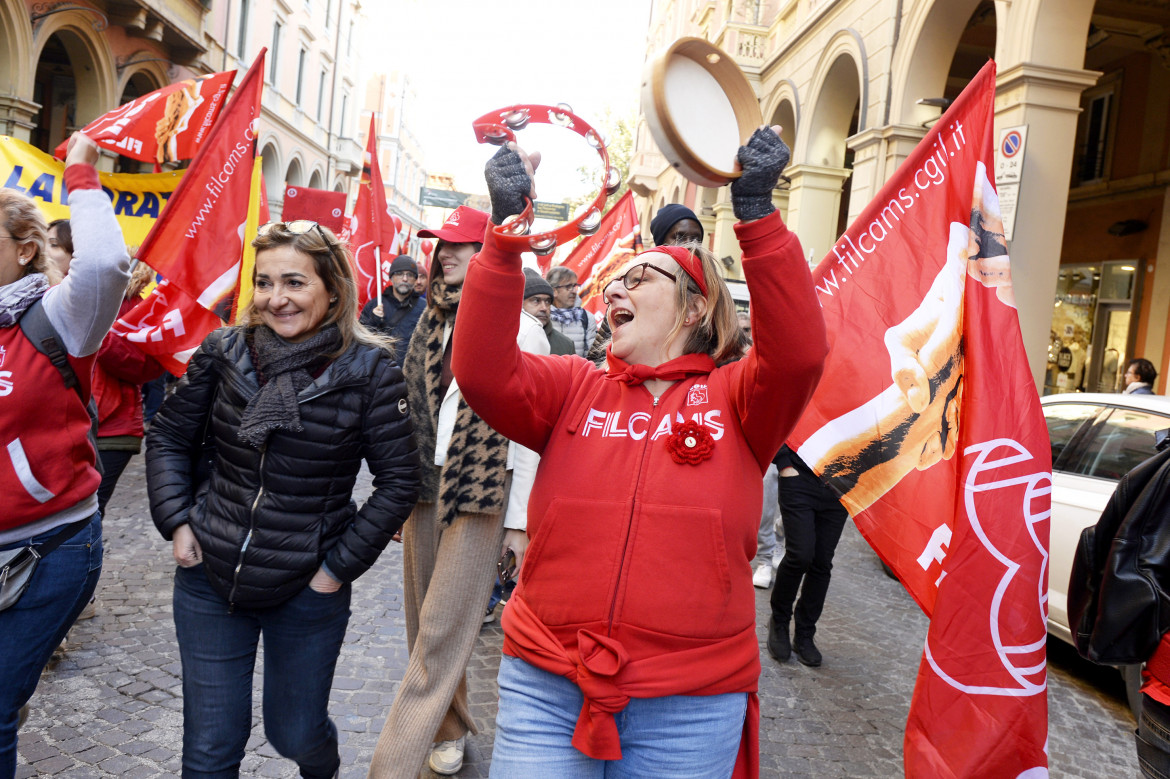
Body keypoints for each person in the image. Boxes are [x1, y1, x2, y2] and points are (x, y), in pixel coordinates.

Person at [453, 127, 826, 777]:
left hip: (692, 702)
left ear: (694, 308)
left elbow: (797, 354)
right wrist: (504, 233)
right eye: (614, 283)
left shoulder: (740, 398)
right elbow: (483, 371)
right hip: (548, 683)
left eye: (640, 278)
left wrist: (759, 217)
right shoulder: (573, 386)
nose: (614, 292)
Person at [145, 220, 419, 778]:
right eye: (264, 283)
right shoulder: (224, 350)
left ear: (333, 289)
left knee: (294, 732)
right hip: (210, 576)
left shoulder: (370, 371)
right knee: (209, 749)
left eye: (294, 283)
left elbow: (398, 483)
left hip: (306, 585)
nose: (276, 299)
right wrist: (178, 522)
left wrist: (334, 570)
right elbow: (170, 436)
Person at [367, 206, 547, 778]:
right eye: (441, 245)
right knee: (425, 624)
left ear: (490, 252)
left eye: (460, 245)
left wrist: (519, 521)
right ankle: (449, 729)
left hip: (483, 492)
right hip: (424, 486)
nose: (446, 254)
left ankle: (390, 764)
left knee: (443, 629)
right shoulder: (429, 319)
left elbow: (532, 436)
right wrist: (395, 494)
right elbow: (409, 410)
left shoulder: (522, 326)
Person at [0, 133, 131, 778]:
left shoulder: (59, 314)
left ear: (26, 249)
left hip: (47, 550)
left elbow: (106, 265)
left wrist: (82, 173)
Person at [766, 445, 849, 666]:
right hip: (799, 476)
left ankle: (805, 634)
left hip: (841, 484)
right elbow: (781, 416)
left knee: (821, 562)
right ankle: (779, 622)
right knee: (800, 555)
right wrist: (784, 463)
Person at [93, 262, 166, 516]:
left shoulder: (131, 305)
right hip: (57, 427)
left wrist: (99, 336)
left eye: (57, 244)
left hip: (110, 430)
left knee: (85, 517)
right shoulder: (44, 298)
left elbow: (150, 368)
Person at [359, 254, 426, 353]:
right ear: (391, 277)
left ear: (415, 280)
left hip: (410, 367)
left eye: (410, 275)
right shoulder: (375, 305)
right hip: (381, 366)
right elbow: (360, 341)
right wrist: (373, 320)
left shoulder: (425, 308)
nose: (404, 279)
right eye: (399, 274)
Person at [523, 269, 575, 356]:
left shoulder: (566, 345)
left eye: (547, 301)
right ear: (520, 304)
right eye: (536, 300)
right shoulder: (506, 339)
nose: (544, 308)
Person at [546, 266, 595, 358]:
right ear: (554, 291)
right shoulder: (543, 317)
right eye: (568, 286)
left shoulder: (587, 318)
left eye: (575, 286)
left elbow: (592, 357)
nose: (574, 291)